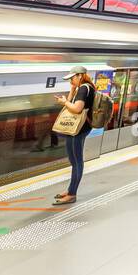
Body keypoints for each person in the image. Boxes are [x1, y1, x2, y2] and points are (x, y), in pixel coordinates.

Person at [53, 67, 95, 205]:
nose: (71, 81)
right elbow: (70, 105)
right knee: (74, 161)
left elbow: (76, 109)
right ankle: (71, 189)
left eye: (72, 78)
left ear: (80, 76)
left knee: (76, 161)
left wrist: (64, 102)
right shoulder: (83, 88)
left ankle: (72, 194)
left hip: (78, 129)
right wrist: (71, 92)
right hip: (78, 129)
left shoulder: (84, 88)